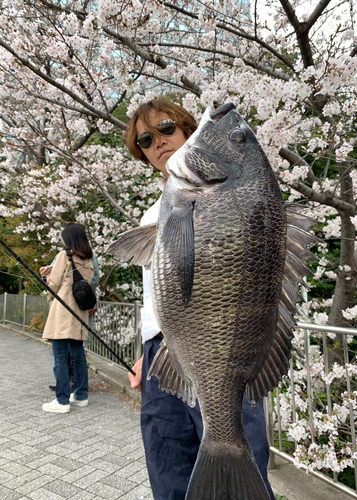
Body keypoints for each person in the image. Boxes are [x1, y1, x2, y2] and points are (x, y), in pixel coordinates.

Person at [125, 99, 274, 500]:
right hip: (165, 353)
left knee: (241, 477)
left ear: (189, 130)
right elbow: (159, 299)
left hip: (229, 355)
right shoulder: (150, 217)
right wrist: (149, 350)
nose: (158, 141)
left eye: (167, 127)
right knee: (168, 467)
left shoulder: (237, 197)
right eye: (145, 139)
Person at [42, 223, 94, 413]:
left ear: (69, 239)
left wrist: (47, 279)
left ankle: (62, 400)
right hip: (80, 313)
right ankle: (81, 395)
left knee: (61, 356)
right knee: (78, 355)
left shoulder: (65, 255)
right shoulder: (88, 260)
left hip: (63, 311)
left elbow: (54, 283)